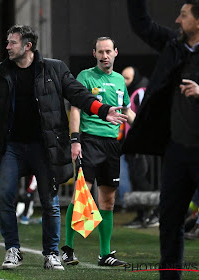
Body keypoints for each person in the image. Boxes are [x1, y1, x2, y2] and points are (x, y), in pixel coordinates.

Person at [0, 25, 127, 271]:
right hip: (11, 147)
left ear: (28, 46)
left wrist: (103, 109)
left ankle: (52, 253)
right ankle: (12, 249)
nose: (7, 47)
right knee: (3, 196)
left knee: (50, 201)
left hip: (45, 147)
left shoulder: (54, 69)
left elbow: (79, 95)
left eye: (12, 42)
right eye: (8, 42)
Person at [124, 1, 199, 279]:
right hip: (176, 151)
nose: (177, 21)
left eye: (183, 15)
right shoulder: (173, 44)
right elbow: (142, 25)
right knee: (169, 222)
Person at [62, 37, 135, 267]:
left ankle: (105, 254)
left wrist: (145, 130)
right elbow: (75, 109)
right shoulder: (85, 76)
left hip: (112, 144)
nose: (104, 56)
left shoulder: (120, 80)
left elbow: (127, 111)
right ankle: (67, 249)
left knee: (109, 200)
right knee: (81, 195)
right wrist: (75, 140)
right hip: (89, 141)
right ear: (94, 53)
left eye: (108, 51)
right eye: (100, 52)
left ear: (116, 52)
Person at [121, 66, 158, 228]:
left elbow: (145, 117)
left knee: (142, 179)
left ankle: (154, 213)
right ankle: (141, 215)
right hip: (132, 144)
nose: (124, 82)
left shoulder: (141, 91)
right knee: (136, 180)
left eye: (127, 78)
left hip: (140, 145)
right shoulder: (131, 93)